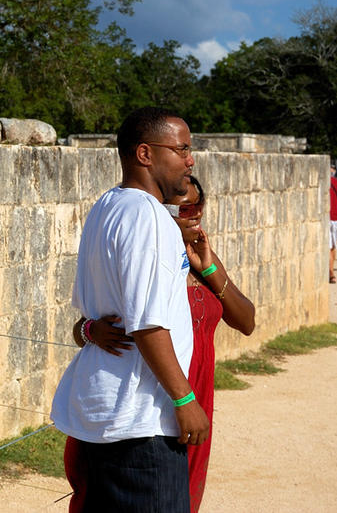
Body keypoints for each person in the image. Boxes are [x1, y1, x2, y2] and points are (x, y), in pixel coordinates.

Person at [50, 107, 209, 513]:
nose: (190, 160)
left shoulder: (108, 206)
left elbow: (100, 311)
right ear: (145, 154)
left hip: (106, 416)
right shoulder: (147, 215)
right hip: (139, 422)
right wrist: (184, 399)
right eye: (182, 149)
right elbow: (147, 323)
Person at [66, 175, 256, 512]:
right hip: (160, 392)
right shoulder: (147, 255)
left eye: (199, 205)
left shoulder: (201, 259)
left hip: (196, 387)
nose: (194, 214)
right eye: (184, 208)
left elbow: (246, 321)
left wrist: (209, 268)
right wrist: (91, 331)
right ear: (163, 210)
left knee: (182, 494)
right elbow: (88, 326)